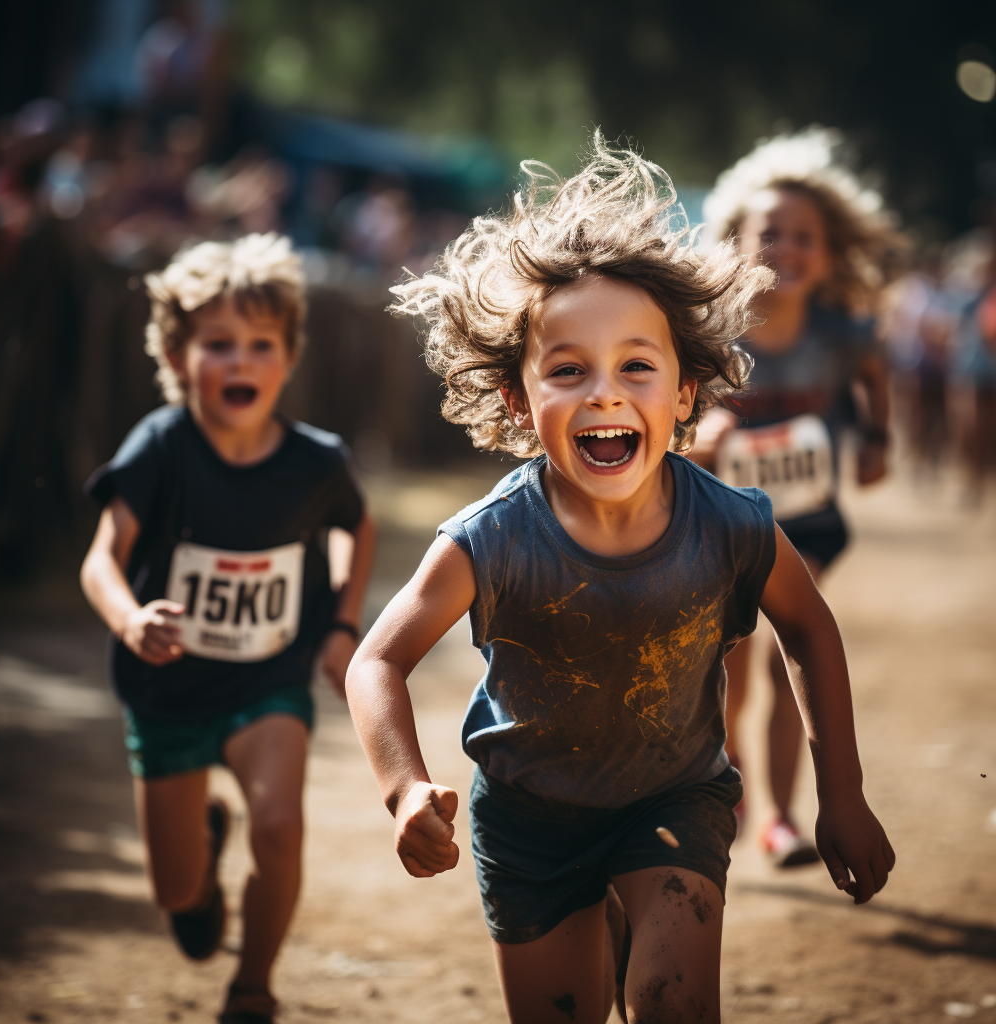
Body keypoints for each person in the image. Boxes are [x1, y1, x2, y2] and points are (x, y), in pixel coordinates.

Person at [344, 137, 894, 1024]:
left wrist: (842, 796)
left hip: (675, 800)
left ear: (685, 393)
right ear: (520, 401)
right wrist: (405, 787)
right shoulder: (491, 539)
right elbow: (376, 661)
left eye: (637, 364)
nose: (604, 393)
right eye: (567, 370)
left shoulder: (732, 524)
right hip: (528, 825)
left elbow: (810, 630)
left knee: (673, 1005)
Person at [80, 233, 376, 1024]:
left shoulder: (317, 463)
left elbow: (356, 526)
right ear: (177, 358)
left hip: (266, 680)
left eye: (260, 345)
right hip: (166, 690)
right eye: (217, 345)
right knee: (177, 896)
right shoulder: (160, 446)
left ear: (288, 356)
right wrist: (131, 616)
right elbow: (102, 558)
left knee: (280, 824)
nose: (240, 362)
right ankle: (201, 855)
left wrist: (343, 621)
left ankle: (253, 988)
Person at [692, 128, 902, 867]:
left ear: (831, 253)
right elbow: (667, 411)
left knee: (790, 657)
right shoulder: (709, 331)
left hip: (806, 522)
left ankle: (780, 816)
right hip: (719, 528)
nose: (787, 246)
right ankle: (731, 788)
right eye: (770, 231)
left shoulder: (845, 334)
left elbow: (875, 370)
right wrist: (698, 438)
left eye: (805, 236)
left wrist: (877, 439)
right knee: (730, 665)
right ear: (735, 241)